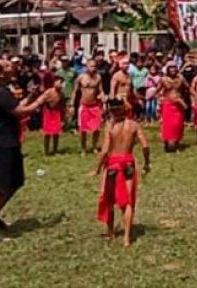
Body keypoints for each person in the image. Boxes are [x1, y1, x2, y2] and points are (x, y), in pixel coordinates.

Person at [0, 60, 48, 242]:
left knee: (15, 182)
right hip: (1, 145)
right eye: (6, 66)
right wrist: (41, 101)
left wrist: (33, 96)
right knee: (1, 188)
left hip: (10, 143)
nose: (11, 67)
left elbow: (15, 106)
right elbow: (20, 112)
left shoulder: (4, 90)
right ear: (0, 73)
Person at [94, 97, 150, 247]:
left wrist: (97, 168)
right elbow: (145, 145)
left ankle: (111, 233)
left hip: (113, 163)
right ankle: (126, 238)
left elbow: (105, 151)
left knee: (109, 199)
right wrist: (147, 163)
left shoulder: (110, 126)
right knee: (128, 202)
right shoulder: (134, 125)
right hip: (128, 162)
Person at [75, 66, 105, 155]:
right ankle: (83, 148)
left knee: (96, 128)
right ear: (87, 67)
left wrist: (103, 100)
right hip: (84, 105)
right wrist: (72, 103)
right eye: (91, 66)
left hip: (94, 105)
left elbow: (101, 90)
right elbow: (75, 91)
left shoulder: (98, 77)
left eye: (94, 66)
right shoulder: (81, 77)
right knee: (83, 129)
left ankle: (94, 146)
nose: (93, 68)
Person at [159, 64, 187, 152]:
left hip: (178, 105)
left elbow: (188, 88)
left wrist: (182, 98)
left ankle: (177, 145)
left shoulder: (181, 78)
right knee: (167, 125)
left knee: (178, 125)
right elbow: (158, 90)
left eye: (174, 69)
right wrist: (160, 98)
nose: (172, 71)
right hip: (167, 104)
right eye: (170, 69)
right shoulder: (163, 79)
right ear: (167, 70)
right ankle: (166, 144)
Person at [39, 70, 65, 157]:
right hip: (48, 113)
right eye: (59, 82)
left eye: (62, 83)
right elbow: (41, 100)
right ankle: (46, 151)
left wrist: (63, 117)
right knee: (47, 133)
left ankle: (55, 150)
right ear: (54, 83)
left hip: (56, 113)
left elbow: (62, 105)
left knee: (56, 133)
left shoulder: (61, 94)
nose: (61, 84)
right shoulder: (49, 91)